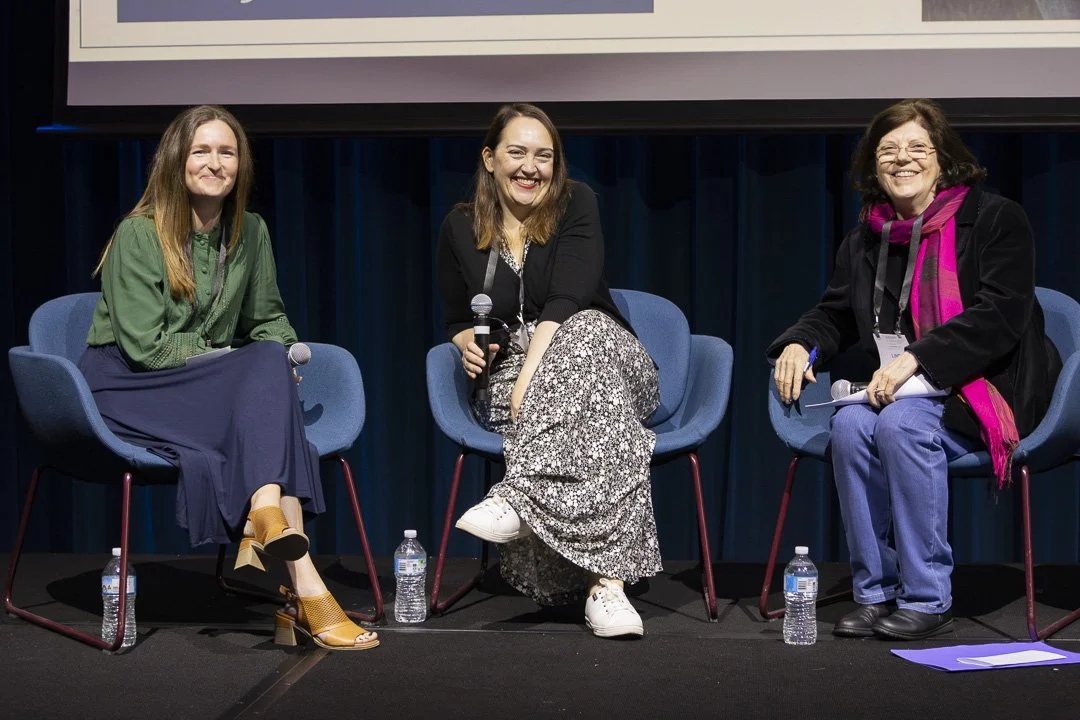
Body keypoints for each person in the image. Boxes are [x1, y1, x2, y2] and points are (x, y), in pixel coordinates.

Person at [79, 105, 378, 651]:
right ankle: (302, 588)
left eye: (227, 152)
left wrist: (281, 356)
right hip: (127, 386)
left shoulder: (250, 231)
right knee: (263, 374)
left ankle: (277, 537)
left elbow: (267, 319)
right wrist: (239, 364)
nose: (214, 163)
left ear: (241, 165)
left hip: (198, 386)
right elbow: (146, 349)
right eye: (201, 151)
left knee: (269, 362)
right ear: (176, 160)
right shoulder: (138, 234)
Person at [768, 99, 1061, 640]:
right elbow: (836, 313)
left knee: (902, 425)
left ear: (943, 158)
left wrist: (918, 358)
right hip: (901, 389)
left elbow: (1001, 313)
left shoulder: (995, 219)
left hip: (985, 384)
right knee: (850, 426)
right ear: (873, 165)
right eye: (888, 151)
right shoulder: (866, 237)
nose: (902, 159)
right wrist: (800, 344)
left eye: (917, 147)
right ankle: (874, 592)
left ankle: (928, 597)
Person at [436, 103, 661, 638]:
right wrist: (465, 342)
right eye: (517, 152)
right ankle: (607, 590)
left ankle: (518, 496)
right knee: (608, 424)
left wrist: (531, 379)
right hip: (520, 376)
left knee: (586, 330)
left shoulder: (576, 202)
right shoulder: (460, 226)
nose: (530, 167)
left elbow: (567, 299)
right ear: (489, 158)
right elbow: (455, 317)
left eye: (544, 156)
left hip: (608, 356)